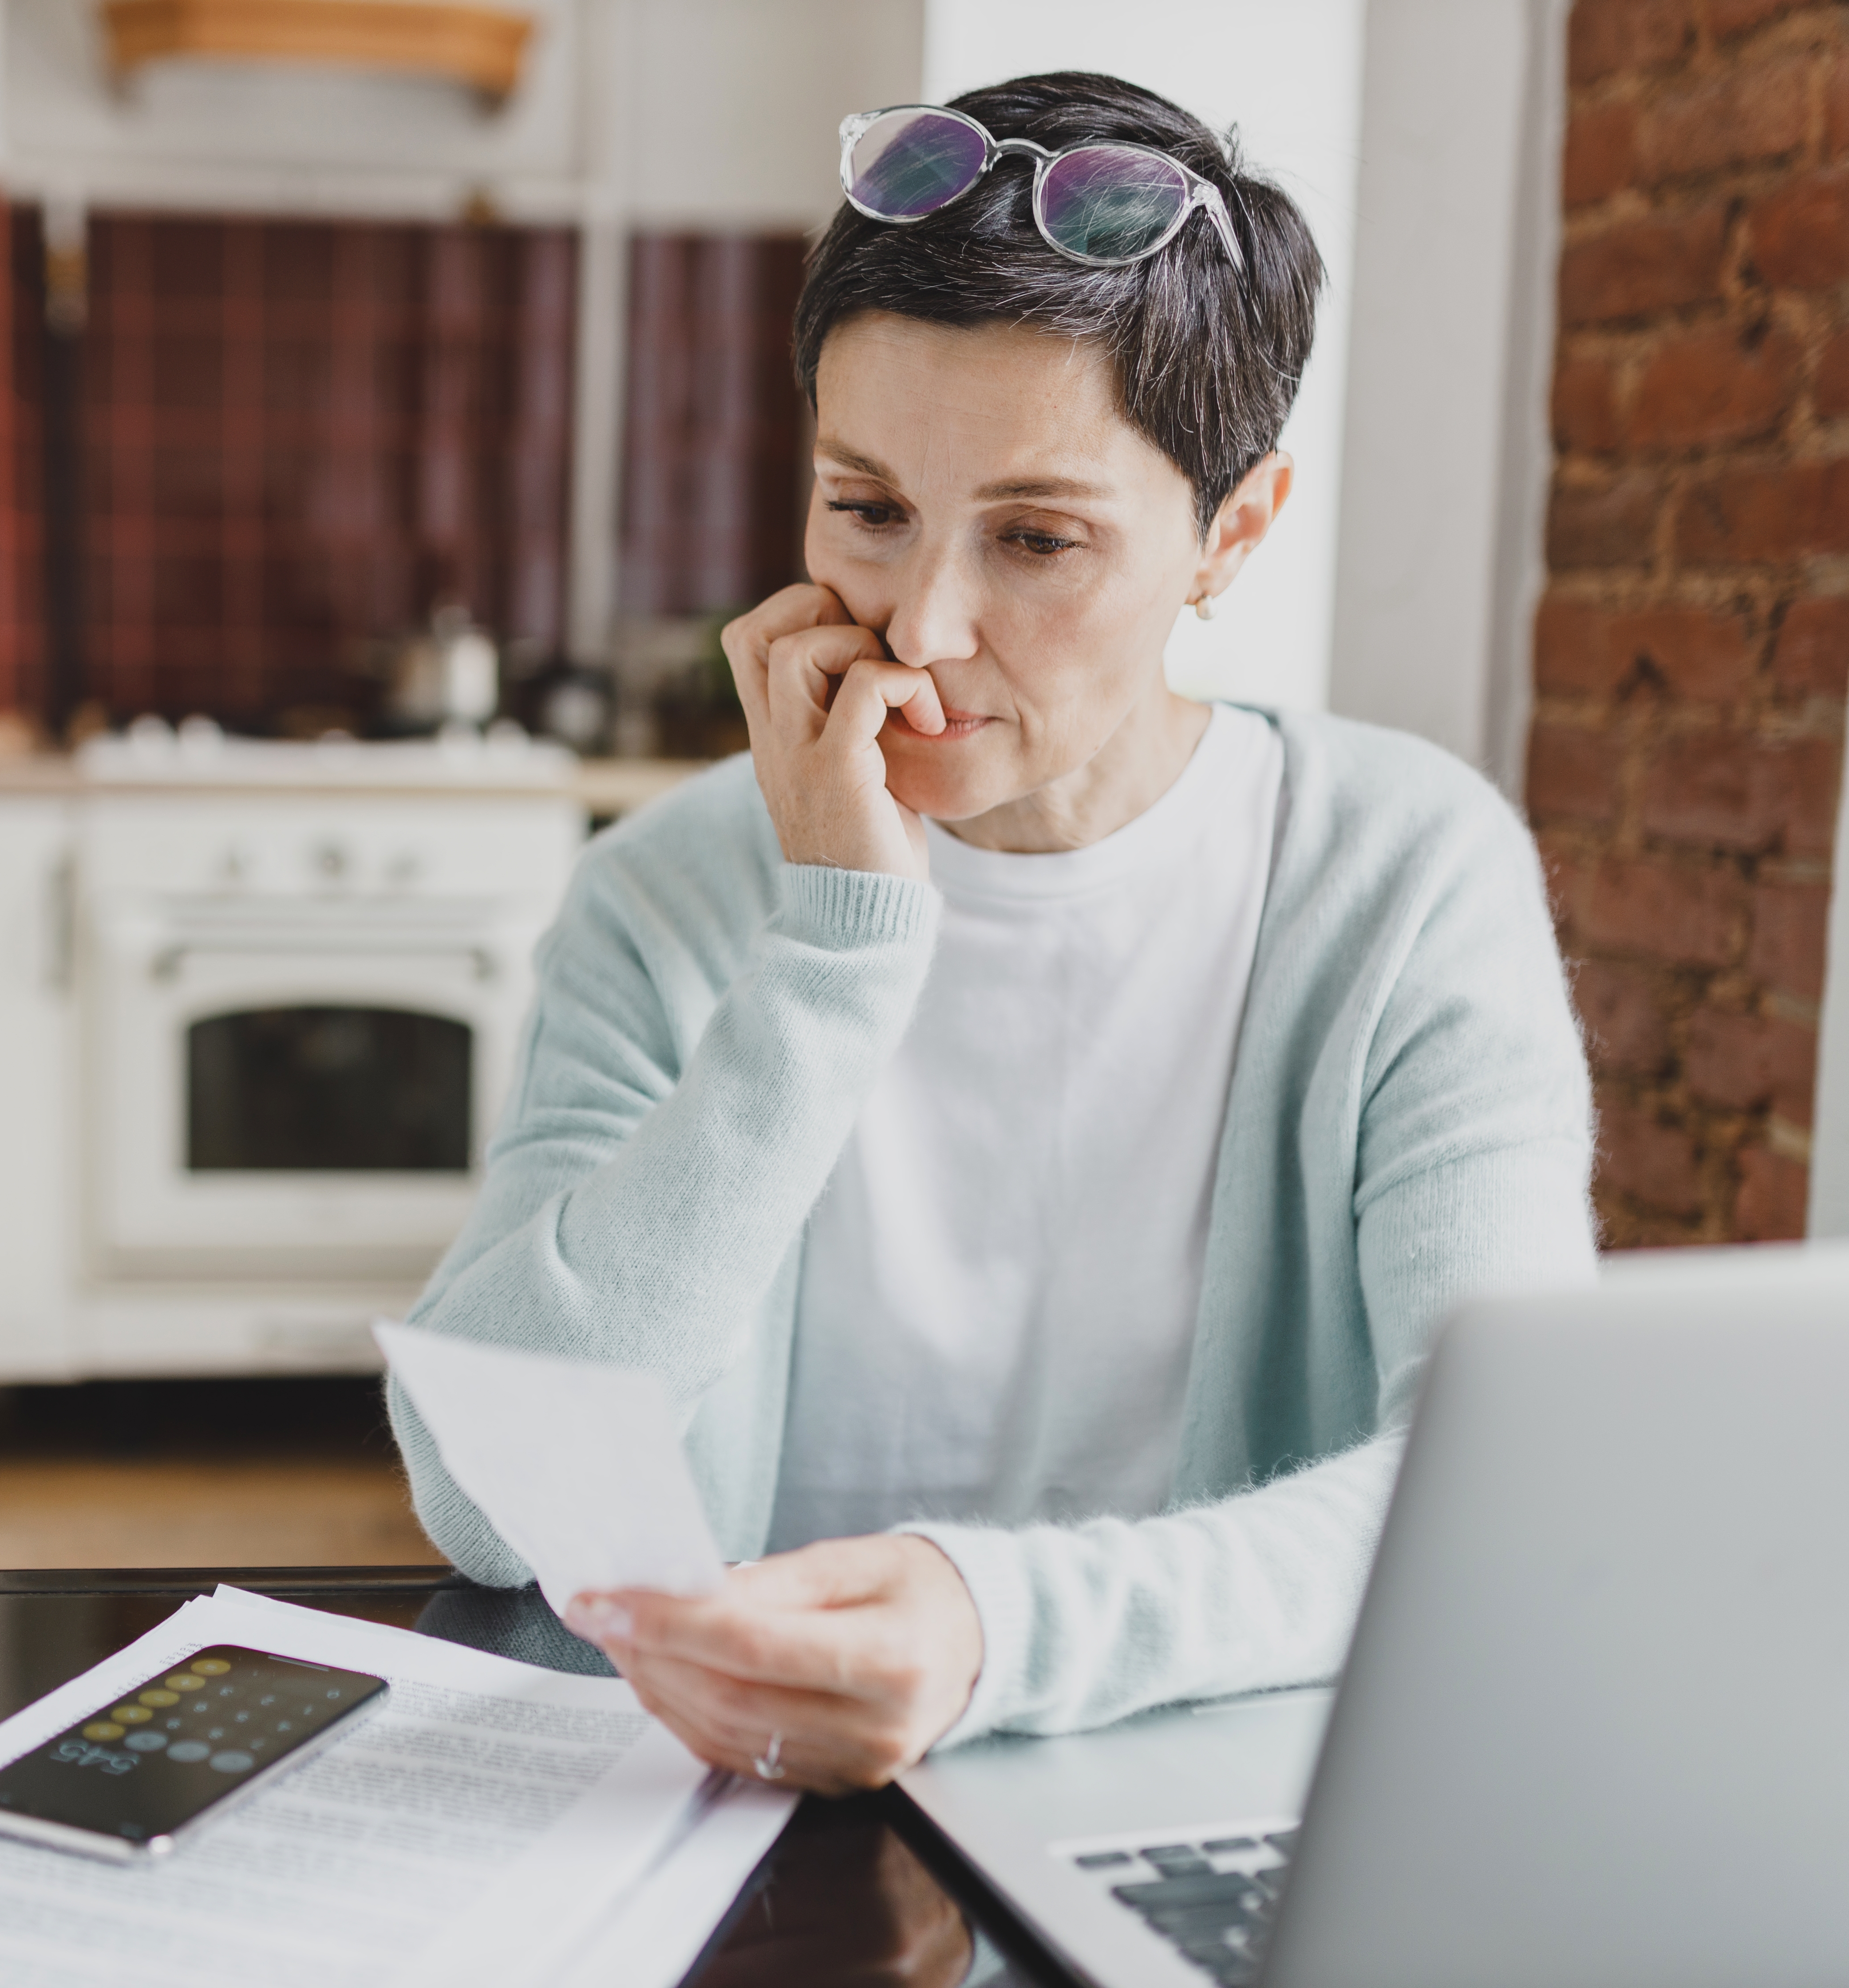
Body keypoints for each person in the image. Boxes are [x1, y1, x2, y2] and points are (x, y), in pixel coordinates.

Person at [387, 71, 1594, 1795]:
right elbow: (488, 1503)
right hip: (738, 1807)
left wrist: (993, 1624)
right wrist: (834, 953)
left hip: (1208, 1793)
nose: (925, 623)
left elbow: (1504, 1496)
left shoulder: (1407, 880)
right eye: (867, 508)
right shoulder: (666, 894)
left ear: (1230, 533)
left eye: (1037, 538)